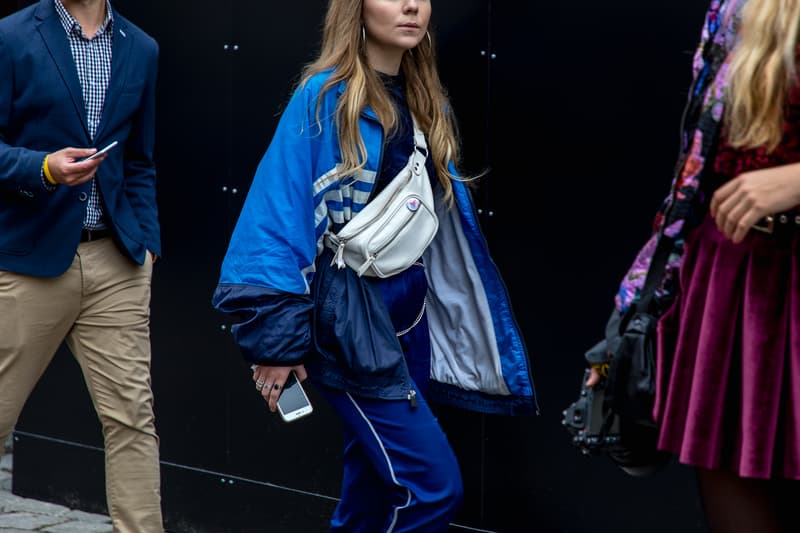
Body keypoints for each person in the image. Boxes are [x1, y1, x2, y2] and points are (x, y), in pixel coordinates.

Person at [212, 0, 537, 530]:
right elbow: (275, 218)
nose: (411, 5)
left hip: (411, 324)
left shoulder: (425, 99)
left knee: (370, 496)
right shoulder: (323, 98)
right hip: (352, 326)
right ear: (355, 9)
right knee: (433, 489)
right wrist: (276, 341)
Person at [588, 0, 800, 531]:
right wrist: (632, 312)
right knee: (734, 492)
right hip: (735, 283)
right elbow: (693, 169)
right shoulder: (735, 7)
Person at [0, 1, 163, 531]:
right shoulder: (11, 36)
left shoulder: (141, 48)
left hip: (116, 260)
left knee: (133, 420)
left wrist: (146, 245)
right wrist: (43, 167)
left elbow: (139, 161)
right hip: (27, 260)